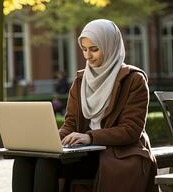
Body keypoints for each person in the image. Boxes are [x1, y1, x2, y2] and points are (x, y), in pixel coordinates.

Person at [12, 19, 158, 192]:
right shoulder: (81, 80)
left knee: (46, 165)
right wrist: (49, 141)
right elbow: (71, 124)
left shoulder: (134, 80)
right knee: (23, 160)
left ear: (110, 46)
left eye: (94, 49)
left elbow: (131, 130)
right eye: (84, 49)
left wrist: (90, 137)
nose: (88, 56)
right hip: (85, 153)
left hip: (119, 154)